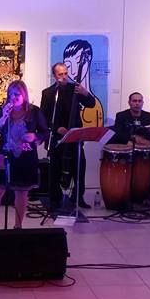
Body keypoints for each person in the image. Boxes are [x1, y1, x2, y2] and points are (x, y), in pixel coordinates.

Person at [0, 80, 49, 237]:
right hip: (5, 156)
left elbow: (45, 132)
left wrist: (35, 136)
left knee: (21, 193)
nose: (14, 97)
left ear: (24, 95)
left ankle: (17, 227)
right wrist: (2, 119)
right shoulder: (2, 110)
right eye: (10, 94)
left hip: (25, 158)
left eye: (17, 94)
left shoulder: (34, 111)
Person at [40, 62, 95, 210]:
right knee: (55, 169)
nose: (64, 77)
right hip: (57, 137)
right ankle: (55, 199)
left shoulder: (75, 89)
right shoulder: (48, 93)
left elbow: (91, 104)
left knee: (79, 167)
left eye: (65, 73)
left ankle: (78, 197)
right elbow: (43, 117)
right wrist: (56, 128)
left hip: (75, 136)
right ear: (54, 76)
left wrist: (85, 93)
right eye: (60, 74)